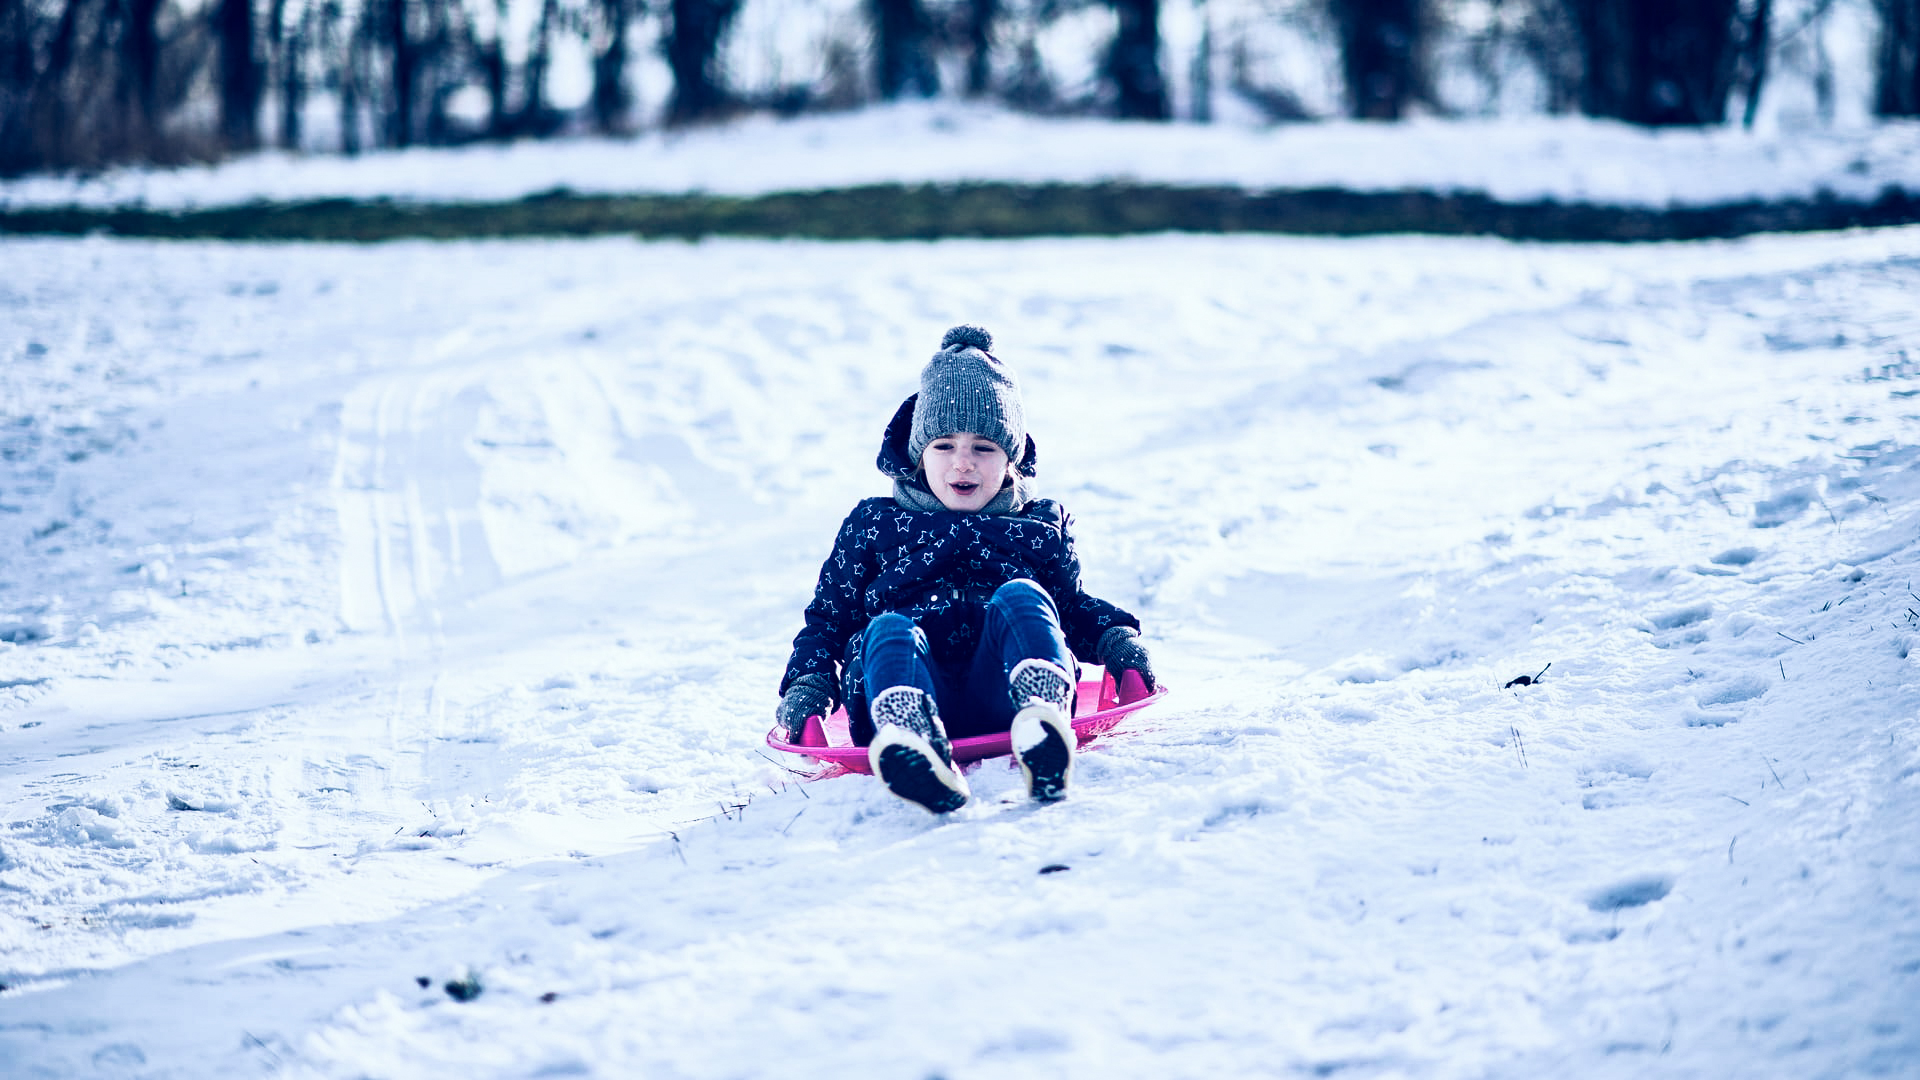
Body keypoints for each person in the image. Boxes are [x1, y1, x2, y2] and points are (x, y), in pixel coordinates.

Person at [775, 325, 1155, 813]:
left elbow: (1070, 608)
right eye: (943, 445)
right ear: (916, 454)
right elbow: (829, 620)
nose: (963, 464)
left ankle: (1040, 716)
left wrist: (1115, 641)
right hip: (896, 686)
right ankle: (912, 743)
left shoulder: (1037, 526)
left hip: (1002, 687)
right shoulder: (874, 524)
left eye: (984, 447)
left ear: (1011, 459)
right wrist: (809, 685)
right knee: (887, 627)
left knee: (1024, 597)